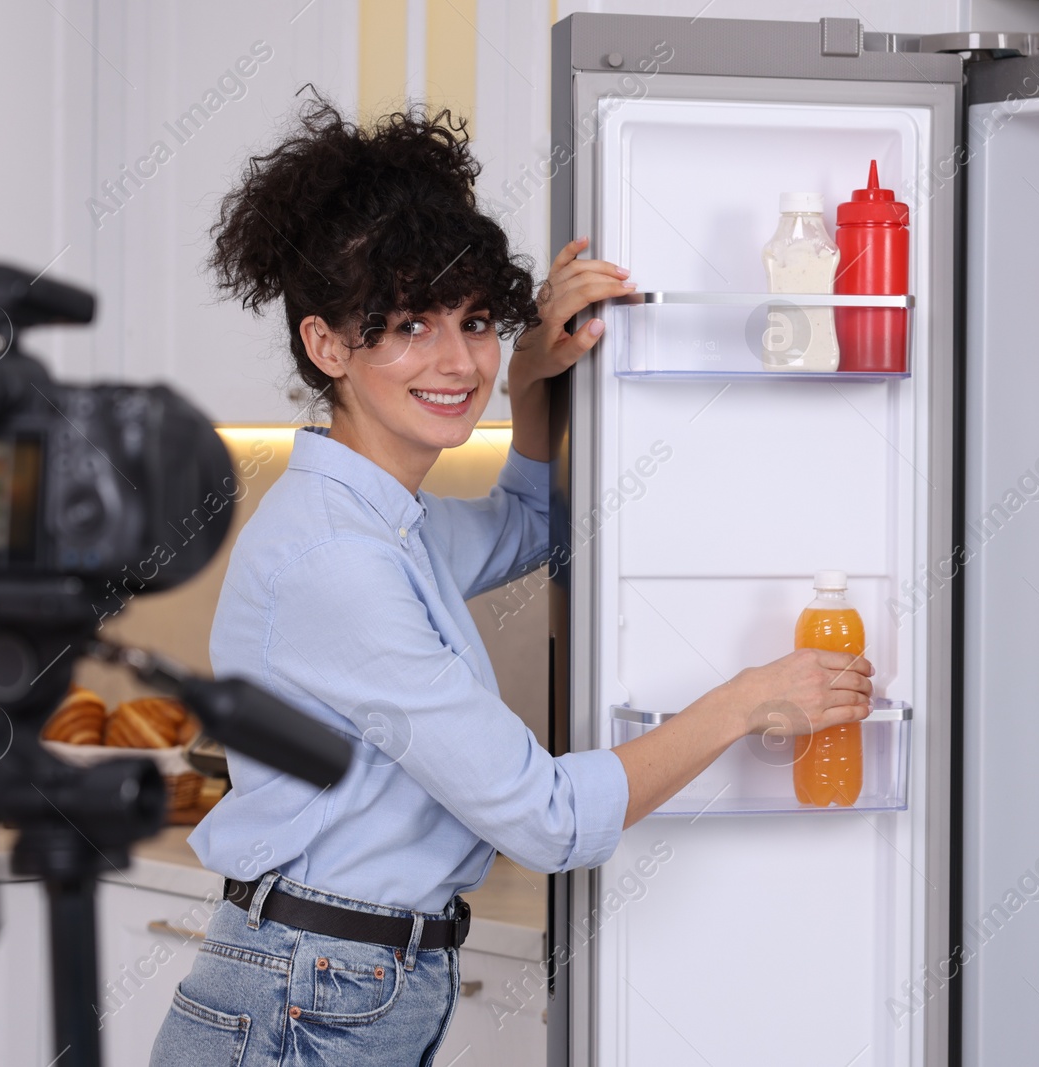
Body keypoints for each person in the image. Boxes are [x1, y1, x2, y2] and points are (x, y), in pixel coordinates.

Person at [150, 94, 875, 1067]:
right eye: (409, 325)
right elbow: (547, 818)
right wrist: (749, 699)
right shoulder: (338, 559)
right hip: (305, 995)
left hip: (340, 984)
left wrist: (532, 380)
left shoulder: (378, 516)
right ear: (328, 346)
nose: (459, 361)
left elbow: (530, 523)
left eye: (478, 320)